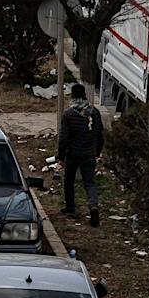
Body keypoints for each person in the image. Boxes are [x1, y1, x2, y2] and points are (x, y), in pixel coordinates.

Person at [57, 83, 105, 226]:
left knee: (69, 180)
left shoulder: (69, 114)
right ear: (84, 95)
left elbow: (64, 138)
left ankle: (70, 208)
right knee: (89, 182)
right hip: (89, 153)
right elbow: (100, 134)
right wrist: (97, 151)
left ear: (72, 95)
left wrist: (61, 157)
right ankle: (93, 206)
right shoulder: (94, 112)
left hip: (73, 154)